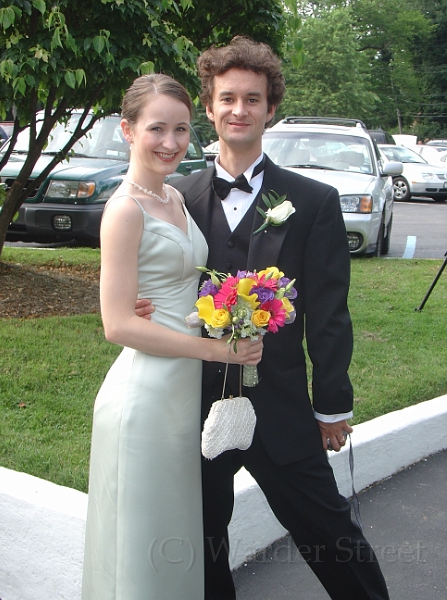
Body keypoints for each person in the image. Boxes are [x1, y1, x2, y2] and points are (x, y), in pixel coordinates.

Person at [136, 38, 391, 600]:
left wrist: (332, 405)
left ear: (270, 108)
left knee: (330, 533)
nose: (239, 110)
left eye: (252, 99)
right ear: (209, 107)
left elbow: (329, 312)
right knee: (202, 541)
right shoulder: (176, 197)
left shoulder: (312, 201)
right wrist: (142, 304)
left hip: (280, 403)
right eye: (227, 98)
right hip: (192, 401)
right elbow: (159, 278)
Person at [81, 73, 263, 600]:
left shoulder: (175, 197)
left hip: (182, 393)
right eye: (156, 128)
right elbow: (117, 325)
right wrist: (216, 349)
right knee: (143, 544)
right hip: (145, 397)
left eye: (181, 129)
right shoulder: (124, 209)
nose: (170, 142)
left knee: (174, 534)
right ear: (127, 130)